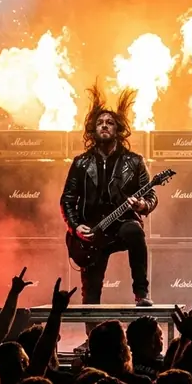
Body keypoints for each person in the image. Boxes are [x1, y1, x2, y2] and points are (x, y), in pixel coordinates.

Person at [61, 83, 156, 309]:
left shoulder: (134, 162)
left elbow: (150, 195)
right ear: (93, 130)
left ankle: (141, 293)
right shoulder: (81, 163)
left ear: (118, 129)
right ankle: (90, 337)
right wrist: (76, 227)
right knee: (91, 291)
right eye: (100, 123)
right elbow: (67, 200)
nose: (104, 126)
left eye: (110, 123)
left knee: (134, 230)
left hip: (121, 224)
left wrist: (142, 205)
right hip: (92, 231)